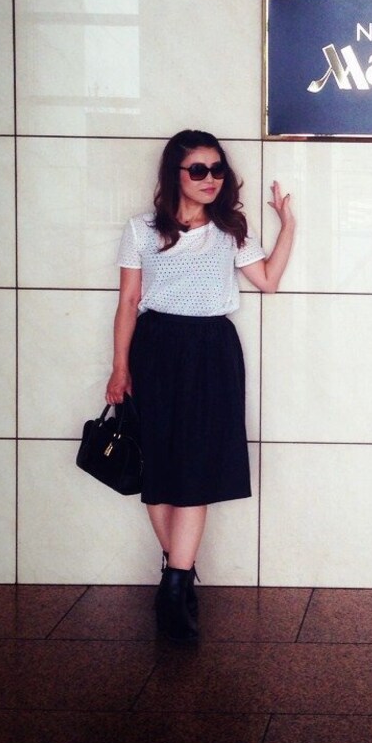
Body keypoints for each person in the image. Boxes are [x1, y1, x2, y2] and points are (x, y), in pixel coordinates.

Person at [105, 130, 295, 643]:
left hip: (212, 350)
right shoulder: (142, 229)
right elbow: (128, 302)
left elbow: (268, 280)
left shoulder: (230, 229)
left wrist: (288, 225)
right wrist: (120, 368)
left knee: (195, 466)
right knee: (158, 462)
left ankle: (173, 584)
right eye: (198, 170)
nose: (210, 179)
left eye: (217, 169)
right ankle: (178, 577)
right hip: (155, 349)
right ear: (176, 174)